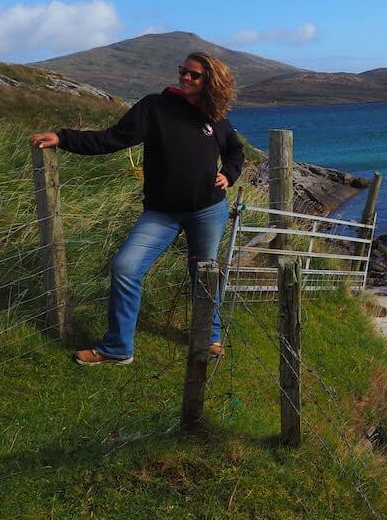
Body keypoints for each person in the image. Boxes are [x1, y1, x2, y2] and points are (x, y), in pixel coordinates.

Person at [30, 52, 245, 365]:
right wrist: (63, 138)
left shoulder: (214, 116)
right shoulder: (154, 107)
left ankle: (210, 337)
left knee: (205, 273)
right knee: (125, 267)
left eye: (194, 75)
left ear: (210, 81)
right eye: (183, 71)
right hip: (161, 213)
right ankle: (118, 348)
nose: (185, 77)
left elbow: (235, 151)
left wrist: (229, 174)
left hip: (207, 210)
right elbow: (112, 139)